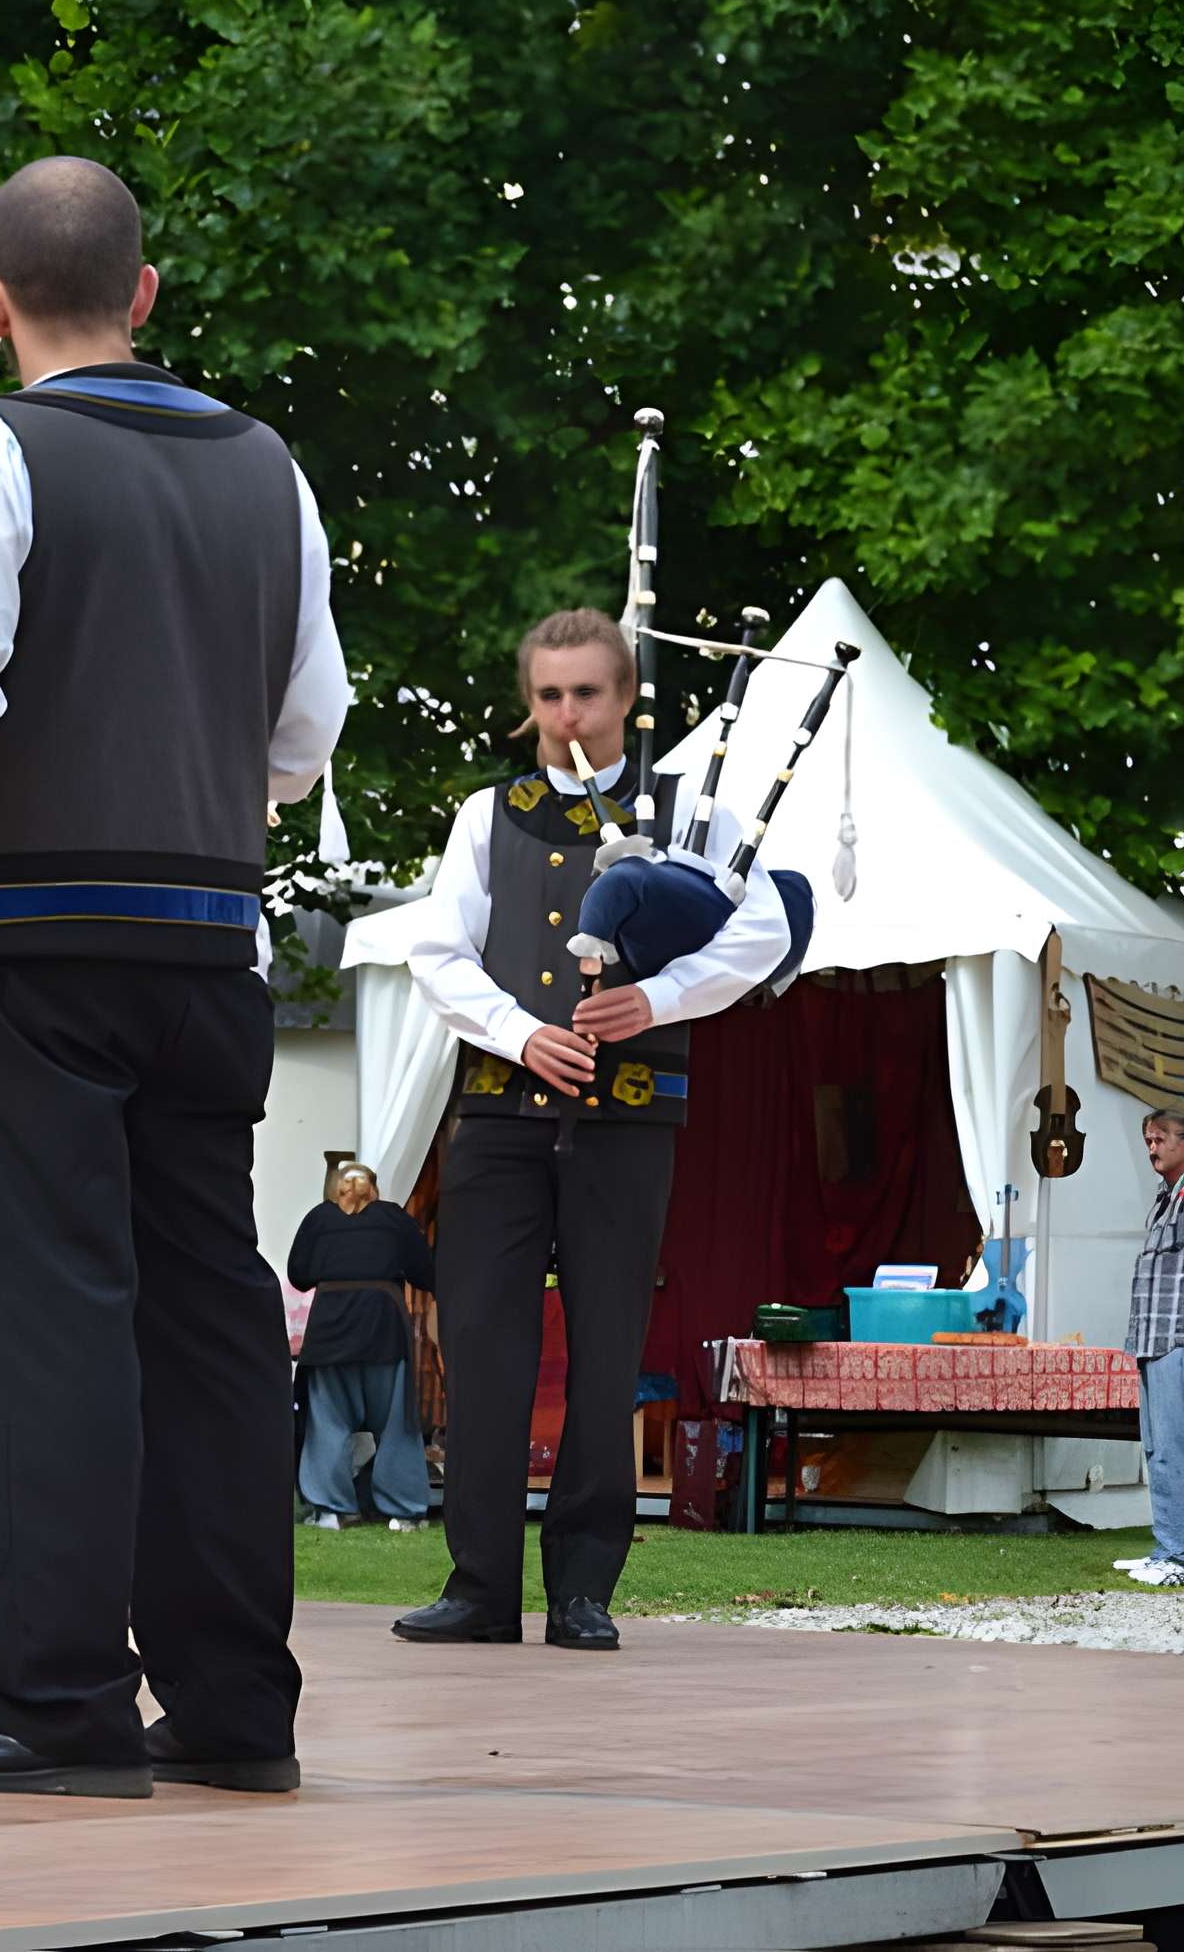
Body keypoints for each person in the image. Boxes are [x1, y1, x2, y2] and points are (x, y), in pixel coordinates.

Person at [0, 155, 350, 1796]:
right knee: (207, 1316)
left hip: (31, 948)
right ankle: (231, 1710)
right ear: (145, 289)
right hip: (210, 942)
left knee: (40, 1312)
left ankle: (57, 1703)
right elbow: (305, 737)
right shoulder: (269, 466)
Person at [394, 608, 786, 1654]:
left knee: (607, 1349)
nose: (567, 714)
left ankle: (580, 1589)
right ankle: (478, 1584)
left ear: (625, 699)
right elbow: (436, 952)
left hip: (624, 1119)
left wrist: (651, 1003)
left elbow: (760, 933)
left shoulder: (686, 810)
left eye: (588, 694)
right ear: (528, 701)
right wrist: (520, 1033)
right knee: (481, 1346)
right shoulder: (490, 813)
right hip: (496, 1112)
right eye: (549, 695)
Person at [288, 1162, 434, 1530]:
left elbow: (298, 1275)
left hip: (331, 1327)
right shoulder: (394, 1218)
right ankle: (403, 1512)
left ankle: (331, 1510)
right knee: (396, 1422)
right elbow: (425, 1272)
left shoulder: (318, 1219)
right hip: (383, 1327)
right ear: (375, 1188)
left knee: (328, 1420)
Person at [1117, 1109, 1184, 1589]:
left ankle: (1181, 1558)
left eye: (1160, 1140)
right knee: (1157, 1448)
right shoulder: (1165, 1199)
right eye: (1148, 1140)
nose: (1152, 1148)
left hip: (1183, 1338)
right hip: (1154, 1341)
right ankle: (1166, 1549)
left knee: (1173, 1447)